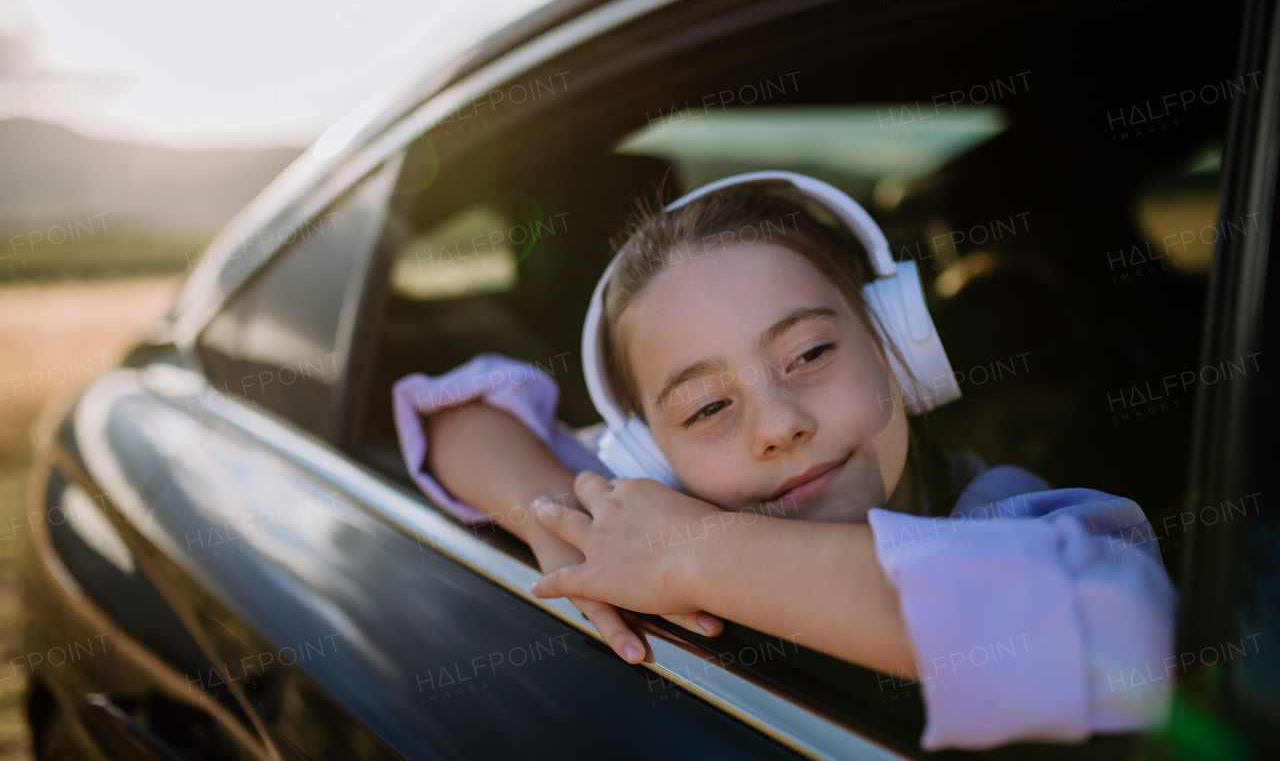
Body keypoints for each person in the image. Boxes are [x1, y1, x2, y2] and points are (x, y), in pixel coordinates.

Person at [393, 172, 1176, 750]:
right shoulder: (658, 502)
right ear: (648, 460)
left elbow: (1107, 632)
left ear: (898, 352)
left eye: (808, 353)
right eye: (705, 407)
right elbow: (455, 407)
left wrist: (695, 553)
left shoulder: (997, 508)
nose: (778, 426)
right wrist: (558, 510)